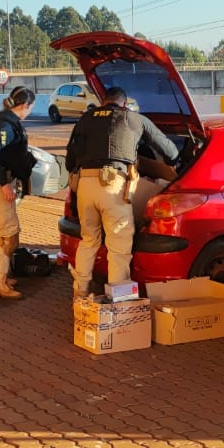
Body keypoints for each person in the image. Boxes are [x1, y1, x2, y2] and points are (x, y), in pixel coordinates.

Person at [65, 86, 180, 299]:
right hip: (113, 186)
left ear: (103, 102)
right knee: (118, 246)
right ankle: (117, 299)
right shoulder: (134, 118)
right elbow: (169, 150)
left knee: (89, 240)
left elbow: (70, 161)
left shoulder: (86, 119)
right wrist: (175, 163)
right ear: (124, 103)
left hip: (85, 186)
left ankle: (80, 292)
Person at [0, 86, 37, 299]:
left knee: (1, 232)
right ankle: (0, 283)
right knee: (9, 235)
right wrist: (4, 183)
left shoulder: (6, 121)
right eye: (31, 107)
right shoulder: (6, 124)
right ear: (25, 105)